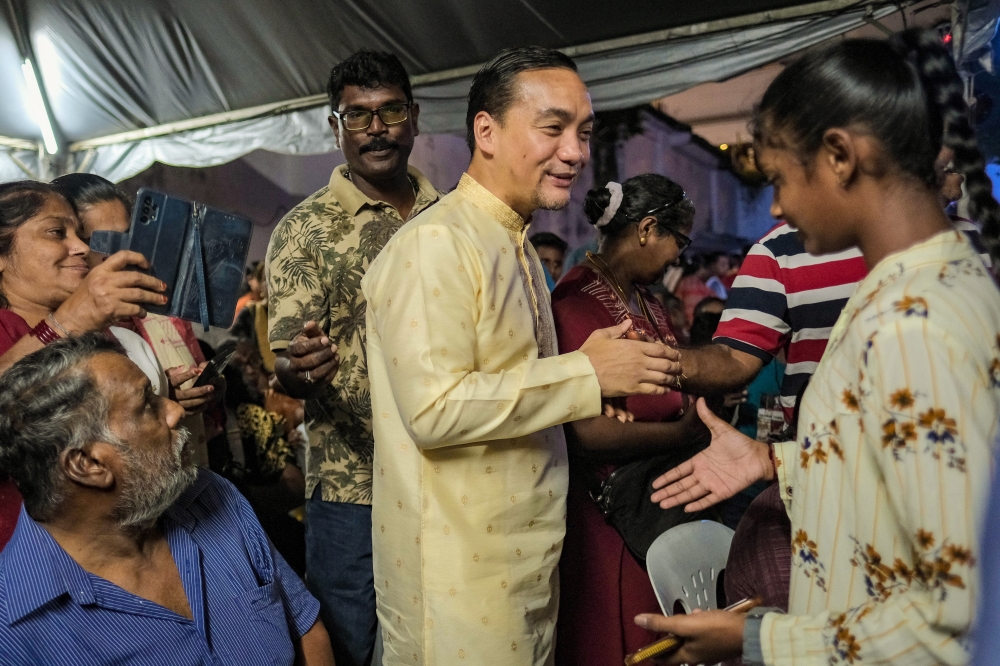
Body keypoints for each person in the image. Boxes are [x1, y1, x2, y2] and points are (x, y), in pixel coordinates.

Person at [641, 30, 1000, 665]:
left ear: (839, 155)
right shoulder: (925, 281)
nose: (776, 204)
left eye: (779, 177)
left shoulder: (912, 324)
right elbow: (904, 468)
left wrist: (755, 639)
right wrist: (774, 460)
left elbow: (959, 616)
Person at [360, 46, 681, 666]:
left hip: (524, 564)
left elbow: (511, 384)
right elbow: (435, 408)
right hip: (458, 580)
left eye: (584, 132)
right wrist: (584, 373)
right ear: (487, 130)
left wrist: (593, 378)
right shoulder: (437, 244)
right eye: (553, 127)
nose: (575, 152)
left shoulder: (515, 242)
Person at [0, 334, 334, 665]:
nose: (174, 411)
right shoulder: (14, 633)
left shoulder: (208, 494)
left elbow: (306, 628)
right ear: (88, 465)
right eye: (148, 404)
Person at [265, 49, 440, 666]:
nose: (376, 127)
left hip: (450, 474)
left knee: (440, 636)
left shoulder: (451, 218)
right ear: (334, 126)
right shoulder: (304, 228)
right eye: (357, 115)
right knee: (353, 644)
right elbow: (287, 361)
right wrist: (300, 366)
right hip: (352, 485)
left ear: (413, 118)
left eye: (390, 110)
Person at [549, 174, 708, 664]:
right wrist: (680, 431)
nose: (678, 256)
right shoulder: (574, 300)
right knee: (618, 641)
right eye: (677, 241)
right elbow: (586, 433)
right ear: (646, 229)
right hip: (608, 519)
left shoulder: (648, 300)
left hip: (655, 507)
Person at [0, 181, 209, 551]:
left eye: (79, 234)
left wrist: (151, 401)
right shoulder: (45, 326)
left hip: (134, 543)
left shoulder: (102, 333)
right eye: (56, 232)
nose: (81, 247)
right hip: (33, 559)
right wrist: (66, 323)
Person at [52, 172, 219, 467]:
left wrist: (204, 391)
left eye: (127, 237)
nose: (120, 254)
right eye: (101, 240)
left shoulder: (163, 309)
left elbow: (204, 395)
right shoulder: (56, 329)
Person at [674, 256, 717, 323]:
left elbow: (677, 301)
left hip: (688, 321)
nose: (710, 272)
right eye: (708, 269)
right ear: (701, 268)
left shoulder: (683, 281)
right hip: (695, 321)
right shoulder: (698, 285)